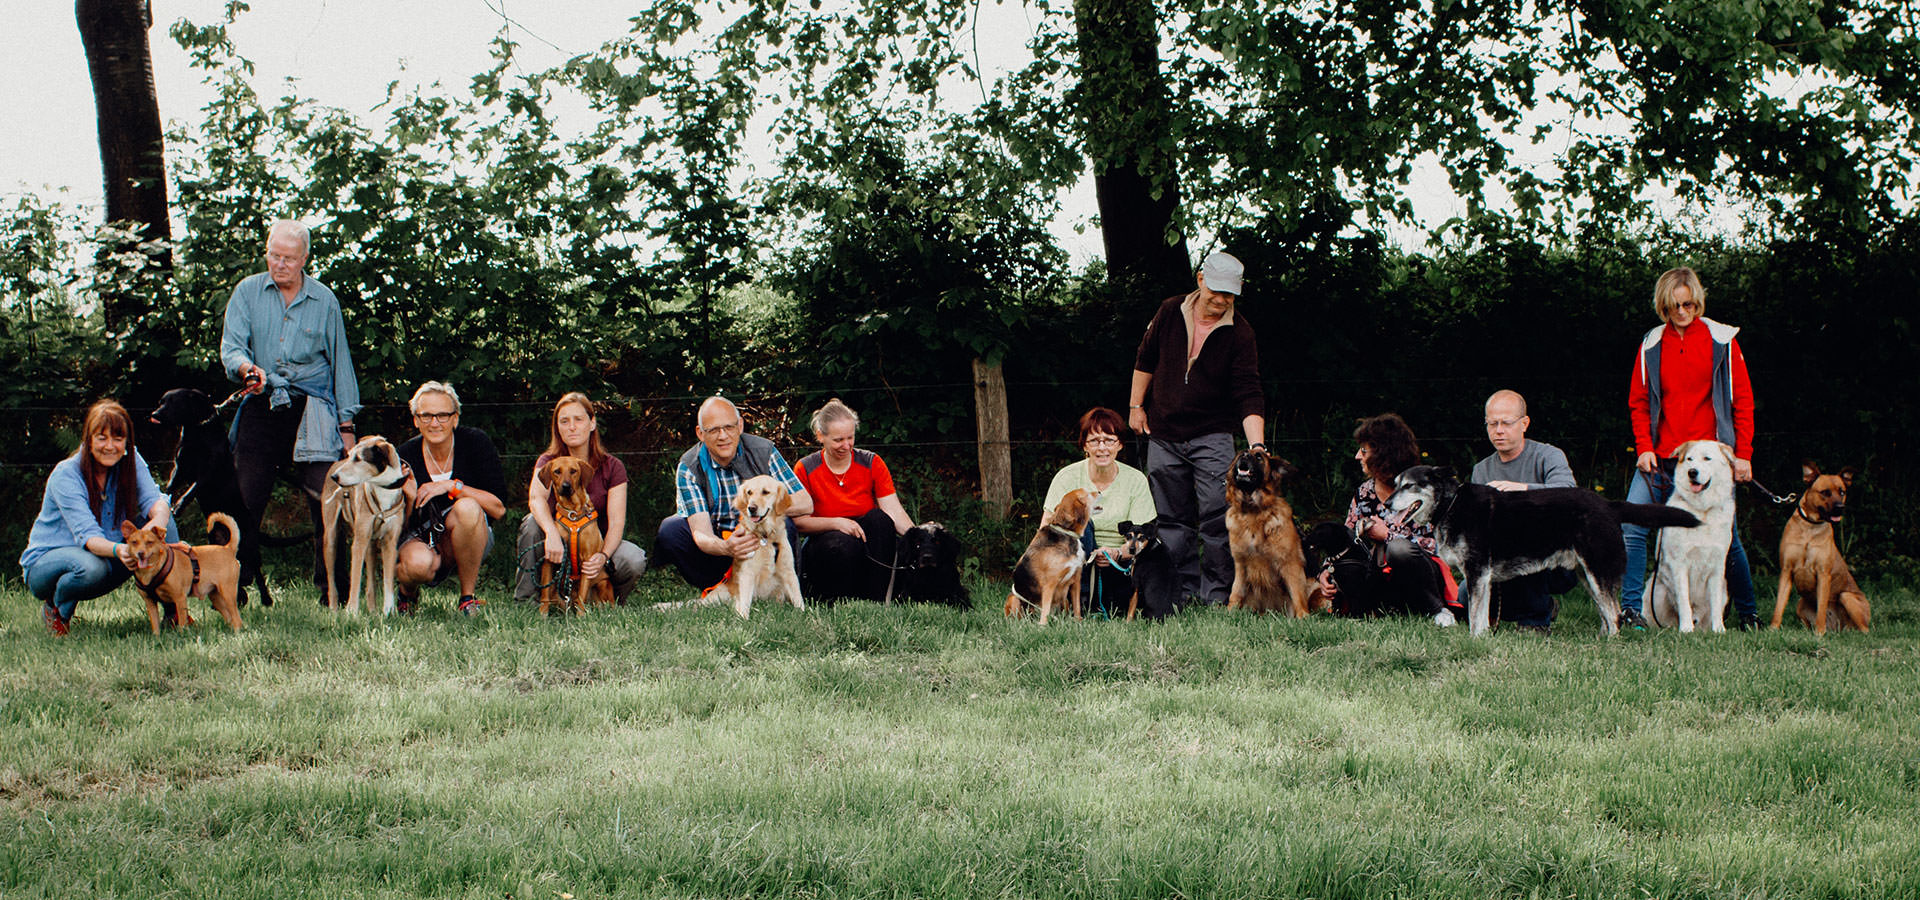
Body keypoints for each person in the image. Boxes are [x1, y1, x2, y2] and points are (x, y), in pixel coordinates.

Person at [220, 218, 360, 597]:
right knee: (245, 498)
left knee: (328, 498)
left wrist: (346, 426)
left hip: (312, 409)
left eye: (288, 258)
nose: (279, 264)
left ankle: (331, 587)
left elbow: (340, 362)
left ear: (304, 259)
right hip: (261, 403)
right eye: (273, 255)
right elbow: (231, 347)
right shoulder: (247, 292)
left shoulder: (324, 300)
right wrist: (246, 367)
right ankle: (237, 585)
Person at [1620, 266, 1759, 631]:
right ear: (1662, 308)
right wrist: (1645, 447)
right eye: (1672, 308)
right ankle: (1631, 611)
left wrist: (1742, 454)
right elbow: (1639, 402)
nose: (1681, 313)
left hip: (1710, 459)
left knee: (1728, 541)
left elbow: (1743, 400)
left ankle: (1749, 614)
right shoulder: (1651, 343)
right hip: (1662, 458)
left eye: (1687, 305)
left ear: (1697, 302)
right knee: (1633, 528)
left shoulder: (1722, 340)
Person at [1126, 251, 1265, 609]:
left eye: (1229, 295)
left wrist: (1258, 445)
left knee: (1218, 517)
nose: (1221, 301)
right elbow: (1145, 360)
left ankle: (1216, 595)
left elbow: (1249, 392)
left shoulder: (1241, 333)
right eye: (1215, 291)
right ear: (1201, 279)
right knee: (1171, 518)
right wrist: (1136, 407)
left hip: (1213, 435)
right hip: (1164, 432)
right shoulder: (1170, 310)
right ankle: (1180, 592)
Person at [21, 400, 178, 635]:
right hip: (51, 562)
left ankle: (173, 612)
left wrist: (156, 527)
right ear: (88, 439)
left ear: (127, 441)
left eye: (117, 438)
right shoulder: (66, 474)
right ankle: (55, 608)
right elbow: (89, 537)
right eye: (101, 438)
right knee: (91, 568)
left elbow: (157, 502)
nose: (110, 446)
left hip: (107, 551)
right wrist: (122, 551)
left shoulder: (131, 458)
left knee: (166, 527)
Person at [655, 396, 814, 592]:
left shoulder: (764, 451)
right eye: (713, 430)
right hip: (721, 544)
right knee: (671, 530)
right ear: (700, 433)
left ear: (740, 426)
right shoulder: (689, 466)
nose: (723, 436)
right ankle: (716, 587)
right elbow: (701, 533)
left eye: (729, 427)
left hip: (761, 538)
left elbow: (805, 502)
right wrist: (727, 547)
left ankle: (780, 589)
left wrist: (763, 510)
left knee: (785, 521)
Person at [1315, 413, 1461, 625]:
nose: (1357, 456)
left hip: (1425, 577)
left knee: (1398, 549)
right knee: (1359, 562)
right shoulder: (1364, 492)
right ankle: (1367, 611)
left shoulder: (1421, 488)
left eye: (1364, 450)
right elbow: (1345, 539)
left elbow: (1439, 547)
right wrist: (1326, 571)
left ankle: (1438, 611)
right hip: (1382, 579)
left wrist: (1388, 535)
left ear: (1384, 454)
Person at [514, 393, 648, 604]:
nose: (572, 427)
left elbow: (617, 524)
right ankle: (527, 601)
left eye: (579, 419)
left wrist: (602, 556)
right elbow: (536, 500)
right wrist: (551, 533)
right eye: (564, 421)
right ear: (557, 427)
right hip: (558, 541)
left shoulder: (612, 467)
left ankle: (606, 600)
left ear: (592, 423)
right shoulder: (548, 461)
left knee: (633, 559)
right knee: (531, 523)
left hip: (596, 542)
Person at [1469, 390, 1579, 632]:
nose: (1499, 430)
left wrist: (1521, 490)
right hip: (1501, 555)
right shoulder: (1481, 470)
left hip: (1557, 554)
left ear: (1524, 423)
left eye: (1506, 423)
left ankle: (1535, 624)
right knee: (1464, 592)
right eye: (1492, 423)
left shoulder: (1548, 455)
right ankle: (1543, 606)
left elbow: (1569, 493)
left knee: (1527, 544)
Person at [394, 382, 507, 616]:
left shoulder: (475, 443)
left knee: (467, 506)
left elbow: (498, 509)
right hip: (419, 538)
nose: (435, 423)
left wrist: (452, 486)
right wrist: (410, 496)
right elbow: (395, 528)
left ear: (455, 418)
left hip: (469, 535)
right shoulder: (403, 455)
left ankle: (467, 598)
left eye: (443, 415)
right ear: (416, 420)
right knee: (418, 565)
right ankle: (407, 593)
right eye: (426, 415)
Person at [791, 399, 914, 602]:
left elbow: (893, 511)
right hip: (826, 538)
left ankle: (878, 600)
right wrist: (837, 522)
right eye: (838, 440)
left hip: (866, 535)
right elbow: (799, 522)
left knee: (879, 520)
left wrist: (916, 537)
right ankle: (840, 602)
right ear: (820, 436)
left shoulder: (872, 462)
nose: (846, 445)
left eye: (851, 438)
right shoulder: (805, 467)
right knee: (841, 545)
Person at [1042, 407, 1158, 617]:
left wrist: (1117, 553)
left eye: (1109, 440)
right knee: (1085, 522)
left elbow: (1144, 537)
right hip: (1072, 563)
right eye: (1094, 440)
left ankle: (1111, 604)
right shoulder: (1066, 477)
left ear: (1120, 444)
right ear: (1084, 445)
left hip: (1119, 565)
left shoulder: (1136, 480)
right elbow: (1045, 530)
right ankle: (1078, 601)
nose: (1102, 447)